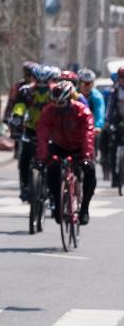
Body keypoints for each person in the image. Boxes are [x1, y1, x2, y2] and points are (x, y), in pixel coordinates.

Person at [38, 79, 97, 224]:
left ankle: (84, 209)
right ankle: (58, 205)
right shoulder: (48, 112)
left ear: (70, 100)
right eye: (55, 103)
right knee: (51, 170)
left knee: (90, 173)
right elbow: (42, 135)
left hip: (78, 148)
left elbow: (88, 134)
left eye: (62, 104)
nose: (58, 107)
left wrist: (86, 156)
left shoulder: (82, 111)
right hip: (59, 146)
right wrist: (42, 157)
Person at [10, 64, 57, 202]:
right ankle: (25, 186)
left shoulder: (56, 92)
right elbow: (19, 107)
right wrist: (17, 119)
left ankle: (54, 191)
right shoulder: (26, 91)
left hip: (51, 131)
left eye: (45, 82)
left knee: (54, 162)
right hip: (31, 129)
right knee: (24, 158)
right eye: (39, 82)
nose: (42, 86)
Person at [78, 68, 105, 135]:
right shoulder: (74, 94)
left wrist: (98, 126)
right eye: (84, 83)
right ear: (79, 83)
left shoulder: (97, 97)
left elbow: (100, 112)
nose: (87, 87)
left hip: (90, 128)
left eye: (89, 83)